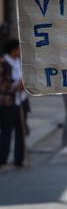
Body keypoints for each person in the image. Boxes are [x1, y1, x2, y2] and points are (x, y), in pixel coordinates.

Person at [0, 39, 28, 169]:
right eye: (18, 49)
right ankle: (2, 160)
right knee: (7, 131)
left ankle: (19, 159)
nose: (20, 52)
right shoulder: (3, 63)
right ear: (13, 50)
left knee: (21, 131)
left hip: (21, 100)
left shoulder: (19, 62)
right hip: (8, 102)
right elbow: (3, 85)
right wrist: (16, 86)